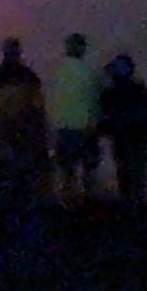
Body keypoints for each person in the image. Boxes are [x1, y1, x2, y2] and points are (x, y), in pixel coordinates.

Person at [47, 33, 104, 203]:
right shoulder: (89, 73)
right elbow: (95, 101)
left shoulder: (57, 72)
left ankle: (67, 201)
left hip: (63, 126)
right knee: (88, 166)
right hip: (85, 127)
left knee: (66, 168)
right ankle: (88, 200)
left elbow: (51, 100)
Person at [0, 37, 49, 206]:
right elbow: (38, 108)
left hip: (2, 133)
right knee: (25, 179)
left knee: (5, 178)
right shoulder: (29, 77)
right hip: (24, 133)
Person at [98, 53, 147, 205]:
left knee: (124, 170)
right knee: (136, 171)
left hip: (122, 136)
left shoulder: (110, 93)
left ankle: (128, 202)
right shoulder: (139, 90)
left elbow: (104, 115)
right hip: (137, 136)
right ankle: (135, 202)